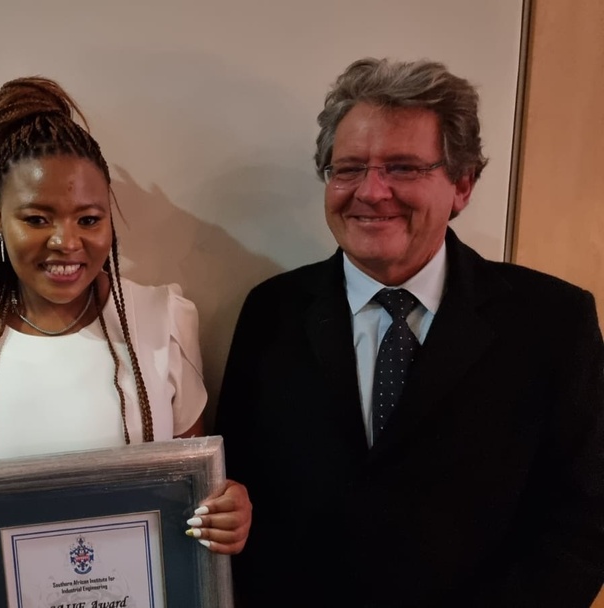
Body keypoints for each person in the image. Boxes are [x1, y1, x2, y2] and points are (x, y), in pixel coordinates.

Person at [216, 57, 604, 606]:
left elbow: (584, 518)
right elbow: (236, 493)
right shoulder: (271, 312)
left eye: (402, 168)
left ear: (462, 184)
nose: (371, 191)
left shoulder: (553, 322)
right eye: (348, 168)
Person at [0, 77, 251, 606]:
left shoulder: (161, 320)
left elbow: (194, 490)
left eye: (89, 219)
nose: (66, 242)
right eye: (36, 218)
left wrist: (228, 509)